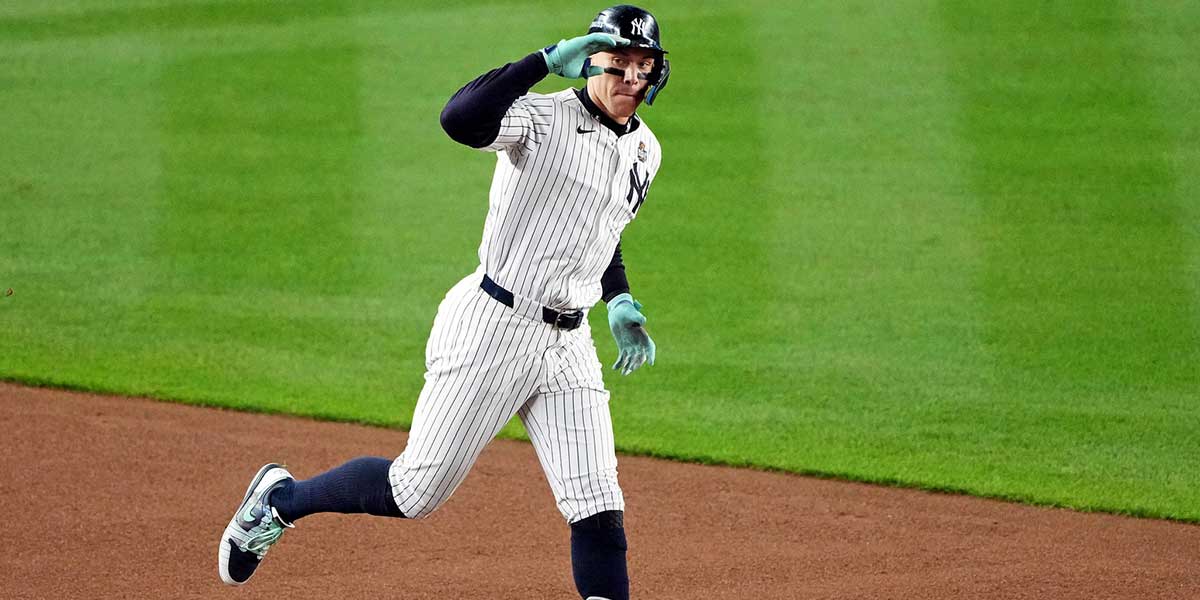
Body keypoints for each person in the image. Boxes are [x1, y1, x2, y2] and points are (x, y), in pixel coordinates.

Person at [217, 6, 670, 600]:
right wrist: (539, 63)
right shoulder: (537, 119)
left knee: (598, 505)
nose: (631, 78)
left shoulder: (646, 150)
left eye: (643, 65)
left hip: (570, 344)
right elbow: (458, 119)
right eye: (619, 62)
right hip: (494, 326)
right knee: (413, 492)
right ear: (590, 60)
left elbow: (601, 226)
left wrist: (619, 299)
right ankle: (278, 501)